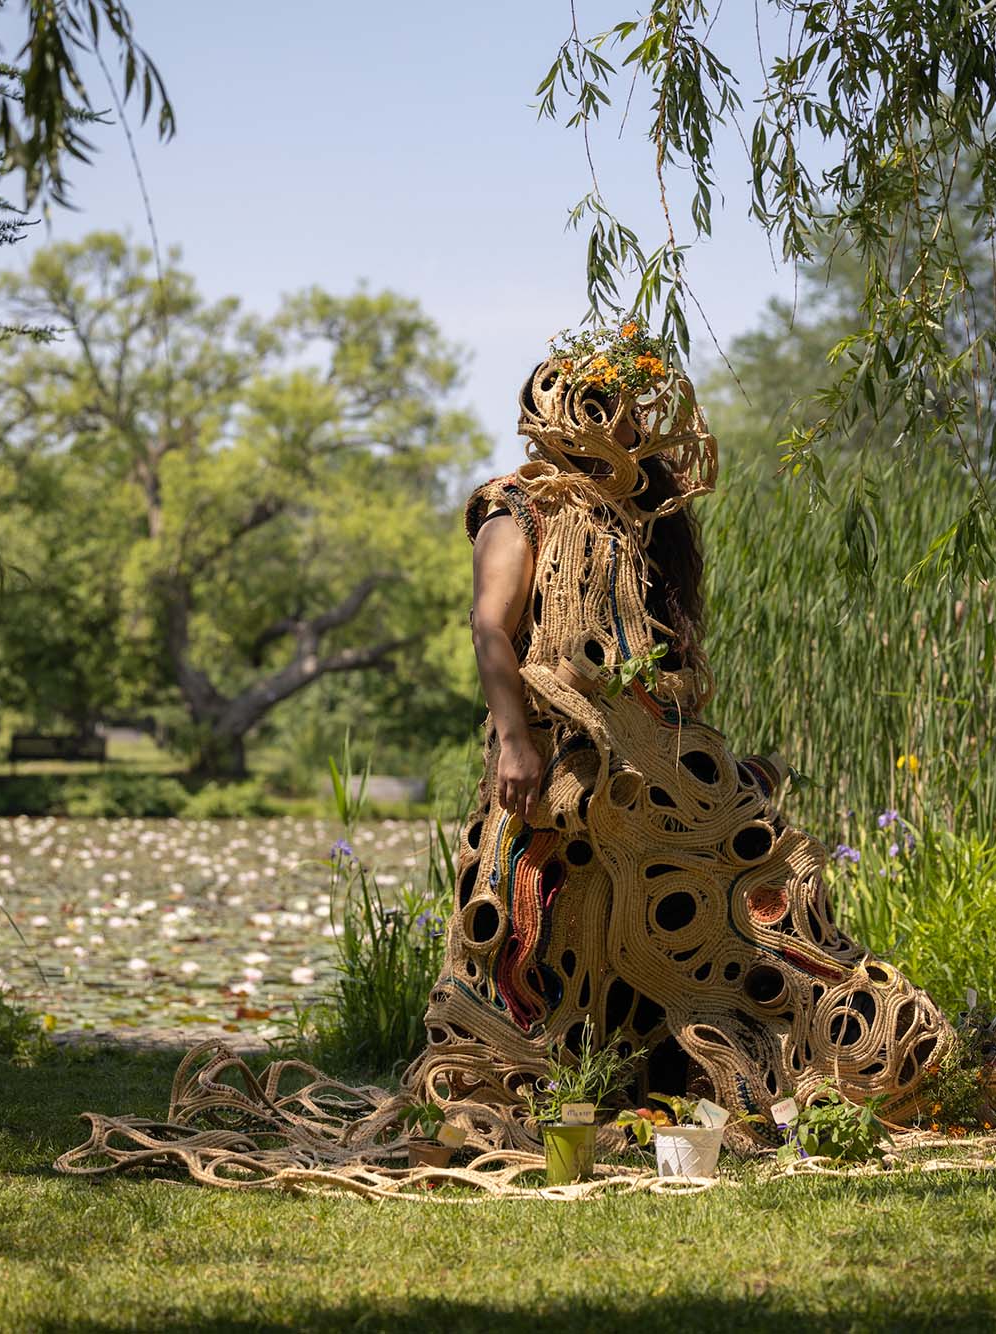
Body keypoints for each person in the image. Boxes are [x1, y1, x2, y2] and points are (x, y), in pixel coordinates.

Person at [395, 329, 951, 1143]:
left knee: (724, 906)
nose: (624, 427)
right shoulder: (518, 507)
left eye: (629, 413)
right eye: (607, 410)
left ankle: (782, 1069)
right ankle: (544, 1092)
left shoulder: (636, 521)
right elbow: (490, 627)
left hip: (645, 768)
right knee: (543, 925)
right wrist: (515, 739)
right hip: (554, 767)